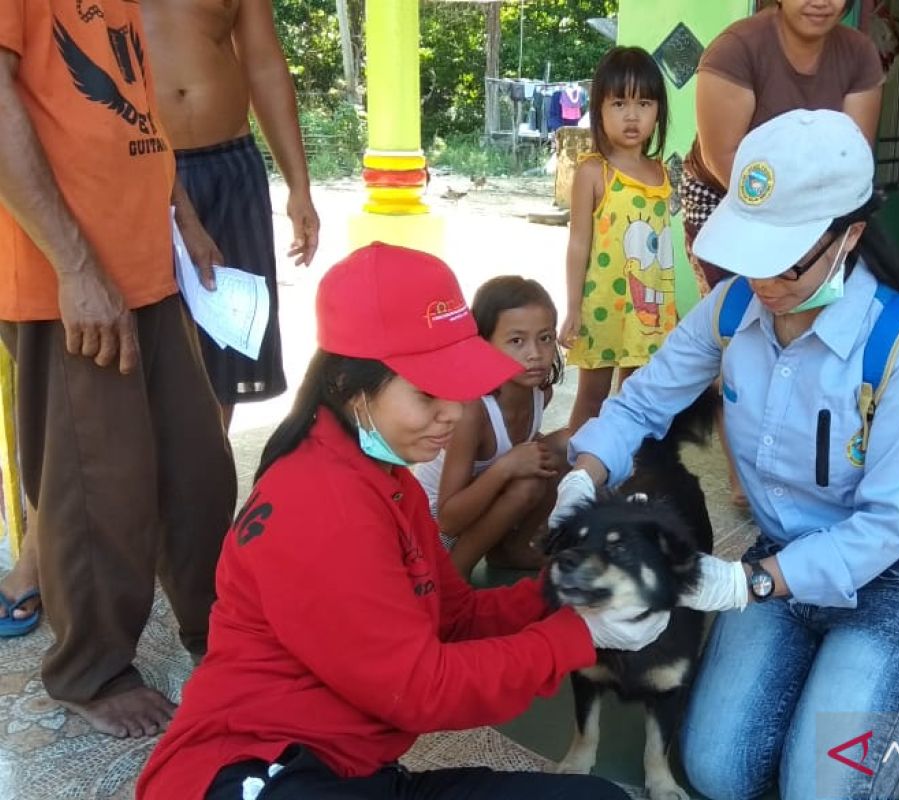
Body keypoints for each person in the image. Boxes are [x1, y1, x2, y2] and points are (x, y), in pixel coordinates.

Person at [549, 109, 899, 800]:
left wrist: (748, 584)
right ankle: (829, 671)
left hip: (892, 572)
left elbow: (885, 527)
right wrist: (583, 478)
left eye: (784, 256)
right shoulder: (731, 311)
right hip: (786, 548)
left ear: (849, 236)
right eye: (750, 249)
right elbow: (641, 406)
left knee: (822, 788)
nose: (761, 277)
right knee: (717, 771)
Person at [137, 243, 667, 800]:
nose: (455, 413)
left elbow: (454, 616)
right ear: (349, 387)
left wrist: (568, 591)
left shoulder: (384, 476)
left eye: (457, 388)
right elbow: (420, 689)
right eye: (427, 393)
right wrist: (577, 635)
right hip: (254, 771)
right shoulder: (321, 506)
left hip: (348, 769)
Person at [0, 0, 237, 736]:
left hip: (146, 267)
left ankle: (225, 632)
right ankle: (89, 672)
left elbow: (132, 109)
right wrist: (75, 267)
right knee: (98, 486)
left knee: (198, 470)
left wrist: (183, 218)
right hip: (64, 279)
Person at [682, 0, 883, 508]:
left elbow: (851, 160)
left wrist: (813, 240)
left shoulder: (859, 53)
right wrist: (776, 241)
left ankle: (808, 465)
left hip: (816, 213)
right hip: (730, 200)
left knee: (814, 321)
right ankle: (744, 477)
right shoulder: (736, 49)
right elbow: (722, 158)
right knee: (745, 332)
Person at [142, 0, 321, 431]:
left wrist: (299, 185)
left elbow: (263, 64)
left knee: (226, 335)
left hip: (231, 165)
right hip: (139, 166)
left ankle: (211, 481)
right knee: (148, 343)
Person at [558, 46, 677, 432]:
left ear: (658, 111)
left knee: (635, 397)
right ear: (599, 110)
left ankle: (624, 478)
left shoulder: (661, 173)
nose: (632, 115)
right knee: (592, 398)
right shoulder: (593, 171)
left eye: (644, 103)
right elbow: (578, 244)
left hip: (648, 310)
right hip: (602, 308)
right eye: (619, 103)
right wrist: (573, 307)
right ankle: (574, 479)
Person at [415, 276, 567, 576]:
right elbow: (447, 519)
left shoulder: (540, 393)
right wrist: (507, 467)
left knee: (564, 448)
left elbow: (517, 447)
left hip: (476, 506)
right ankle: (454, 576)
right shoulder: (473, 411)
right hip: (432, 529)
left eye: (545, 337)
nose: (535, 353)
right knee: (529, 479)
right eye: (516, 341)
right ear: (483, 345)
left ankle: (511, 549)